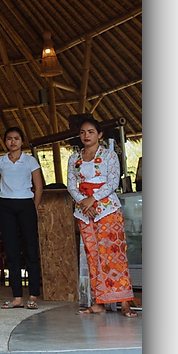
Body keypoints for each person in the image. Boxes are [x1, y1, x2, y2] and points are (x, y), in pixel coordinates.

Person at [66, 116, 137, 316]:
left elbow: (113, 182)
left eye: (90, 132)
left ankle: (125, 302)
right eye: (82, 132)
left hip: (107, 210)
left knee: (115, 254)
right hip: (85, 212)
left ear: (100, 134)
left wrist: (93, 199)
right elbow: (71, 185)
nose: (86, 135)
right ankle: (99, 303)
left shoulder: (109, 155)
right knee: (93, 256)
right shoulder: (74, 158)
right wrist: (84, 202)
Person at [0, 127, 43, 310]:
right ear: (5, 141)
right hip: (6, 205)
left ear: (22, 141)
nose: (12, 141)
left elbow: (38, 187)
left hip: (26, 204)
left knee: (30, 250)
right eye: (9, 138)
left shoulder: (30, 161)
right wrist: (6, 198)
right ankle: (17, 297)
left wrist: (32, 207)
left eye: (16, 138)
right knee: (12, 251)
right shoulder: (0, 161)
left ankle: (33, 295)